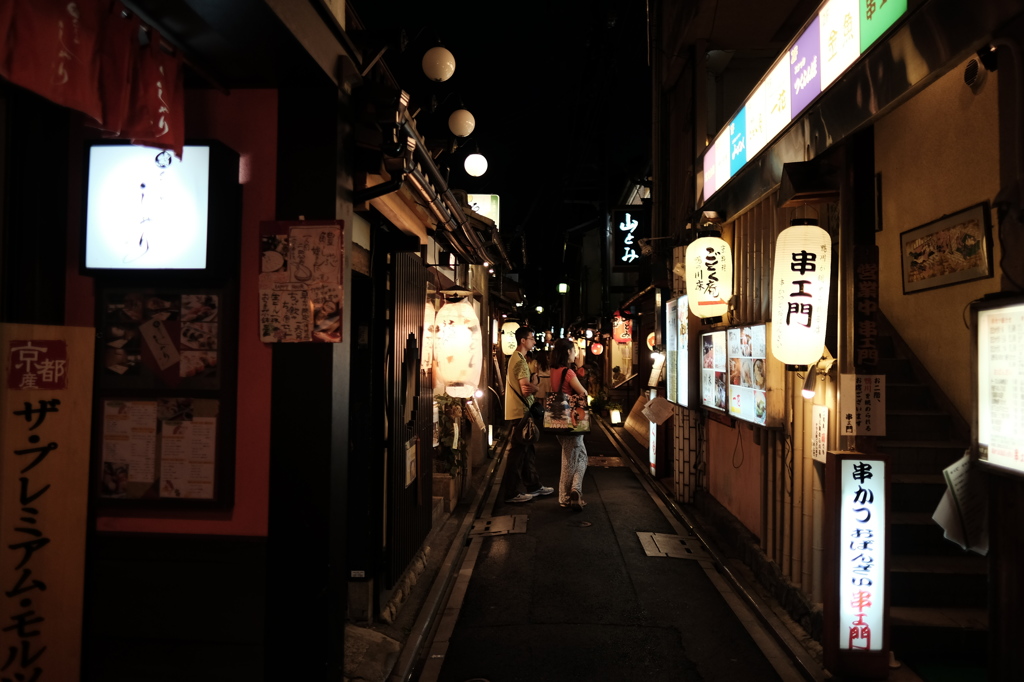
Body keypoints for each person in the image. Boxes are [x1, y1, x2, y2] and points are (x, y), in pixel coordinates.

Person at [502, 327, 554, 504]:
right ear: (523, 341)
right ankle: (510, 492)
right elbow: (525, 390)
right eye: (531, 338)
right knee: (517, 453)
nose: (534, 341)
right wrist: (536, 385)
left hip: (519, 411)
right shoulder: (520, 362)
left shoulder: (516, 359)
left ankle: (533, 485)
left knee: (527, 450)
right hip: (521, 411)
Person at [549, 337, 589, 512]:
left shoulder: (553, 370)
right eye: (574, 350)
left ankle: (575, 491)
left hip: (557, 418)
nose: (576, 353)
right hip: (572, 420)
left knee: (578, 456)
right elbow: (583, 392)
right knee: (570, 459)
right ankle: (566, 496)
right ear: (567, 352)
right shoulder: (569, 373)